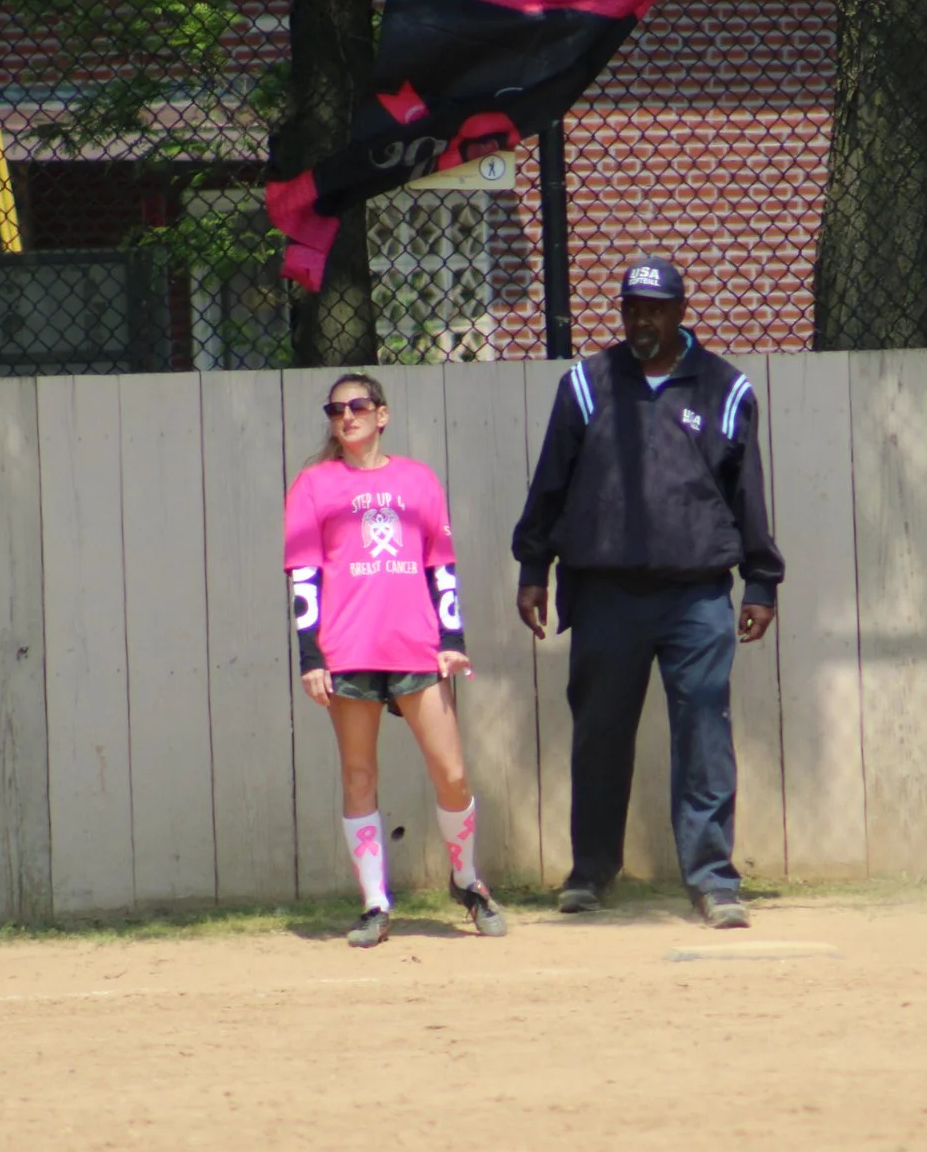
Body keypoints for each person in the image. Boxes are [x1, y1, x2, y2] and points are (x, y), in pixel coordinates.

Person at [511, 256, 785, 928]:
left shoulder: (724, 388)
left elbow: (747, 492)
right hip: (605, 592)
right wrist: (532, 567)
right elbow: (551, 481)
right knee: (600, 735)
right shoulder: (587, 384)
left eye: (655, 310)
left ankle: (713, 879)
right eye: (632, 308)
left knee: (704, 736)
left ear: (680, 312)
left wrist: (760, 580)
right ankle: (591, 870)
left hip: (696, 596)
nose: (641, 320)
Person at [285, 373, 506, 949]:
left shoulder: (418, 480)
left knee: (452, 773)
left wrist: (451, 637)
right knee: (359, 774)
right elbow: (304, 574)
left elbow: (441, 565)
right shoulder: (312, 485)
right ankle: (375, 903)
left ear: (382, 414)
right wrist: (311, 656)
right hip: (347, 649)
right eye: (336, 409)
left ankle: (467, 880)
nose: (347, 417)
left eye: (358, 406)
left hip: (416, 645)